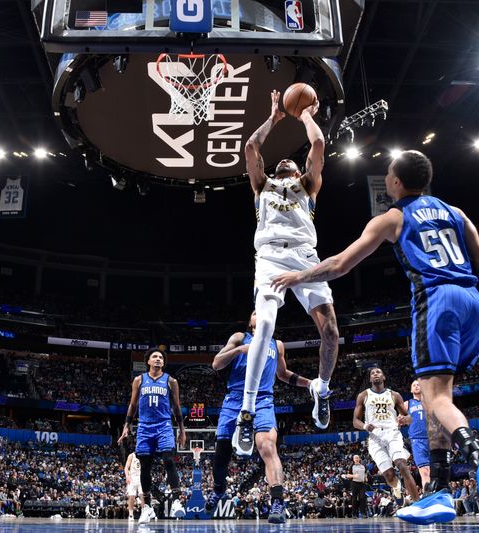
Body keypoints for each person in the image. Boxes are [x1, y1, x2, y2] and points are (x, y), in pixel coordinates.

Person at [271, 150, 479, 530]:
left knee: (435, 399)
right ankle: (438, 490)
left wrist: (297, 277)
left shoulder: (394, 217)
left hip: (438, 301)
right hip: (474, 304)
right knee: (439, 399)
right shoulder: (456, 212)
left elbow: (339, 264)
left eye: (387, 173)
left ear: (397, 182)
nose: (385, 177)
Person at [236, 89, 340, 455]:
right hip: (268, 258)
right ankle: (246, 413)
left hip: (305, 257)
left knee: (330, 331)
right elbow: (250, 149)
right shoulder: (262, 184)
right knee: (263, 325)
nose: (282, 161)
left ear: (297, 171)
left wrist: (305, 114)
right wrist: (275, 118)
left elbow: (317, 144)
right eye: (278, 161)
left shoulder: (308, 184)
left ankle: (322, 390)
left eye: (288, 162)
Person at [204, 311, 312, 523]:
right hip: (235, 398)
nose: (260, 313)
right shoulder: (239, 337)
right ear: (250, 321)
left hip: (263, 400)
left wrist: (309, 383)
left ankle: (278, 502)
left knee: (267, 446)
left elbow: (282, 374)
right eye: (255, 312)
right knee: (222, 454)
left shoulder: (277, 344)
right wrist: (241, 350)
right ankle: (218, 490)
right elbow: (217, 364)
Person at [117, 348, 186, 524]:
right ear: (148, 361)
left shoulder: (171, 381)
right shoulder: (139, 380)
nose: (158, 359)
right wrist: (126, 426)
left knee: (169, 460)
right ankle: (146, 507)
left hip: (164, 426)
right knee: (145, 466)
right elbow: (132, 405)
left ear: (163, 362)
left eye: (161, 357)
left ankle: (177, 501)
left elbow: (177, 408)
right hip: (144, 427)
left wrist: (182, 430)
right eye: (155, 357)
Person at [353, 367, 420, 504]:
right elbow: (355, 421)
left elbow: (408, 418)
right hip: (375, 437)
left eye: (378, 372)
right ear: (370, 379)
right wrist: (365, 426)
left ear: (383, 377)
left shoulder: (394, 395)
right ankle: (396, 487)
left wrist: (404, 420)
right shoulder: (363, 395)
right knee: (389, 476)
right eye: (372, 373)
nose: (375, 374)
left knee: (402, 465)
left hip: (392, 433)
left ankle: (418, 504)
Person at [403, 380, 430, 489]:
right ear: (411, 389)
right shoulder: (407, 404)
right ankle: (428, 496)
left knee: (434, 472)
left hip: (432, 439)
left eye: (418, 384)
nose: (416, 386)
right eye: (413, 385)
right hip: (417, 440)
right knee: (424, 472)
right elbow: (398, 422)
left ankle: (435, 495)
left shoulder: (430, 402)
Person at [124, 451, 143, 520]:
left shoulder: (144, 455)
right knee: (131, 497)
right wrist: (127, 476)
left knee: (142, 496)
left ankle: (143, 514)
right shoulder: (131, 455)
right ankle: (131, 514)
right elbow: (126, 467)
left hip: (141, 477)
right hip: (132, 477)